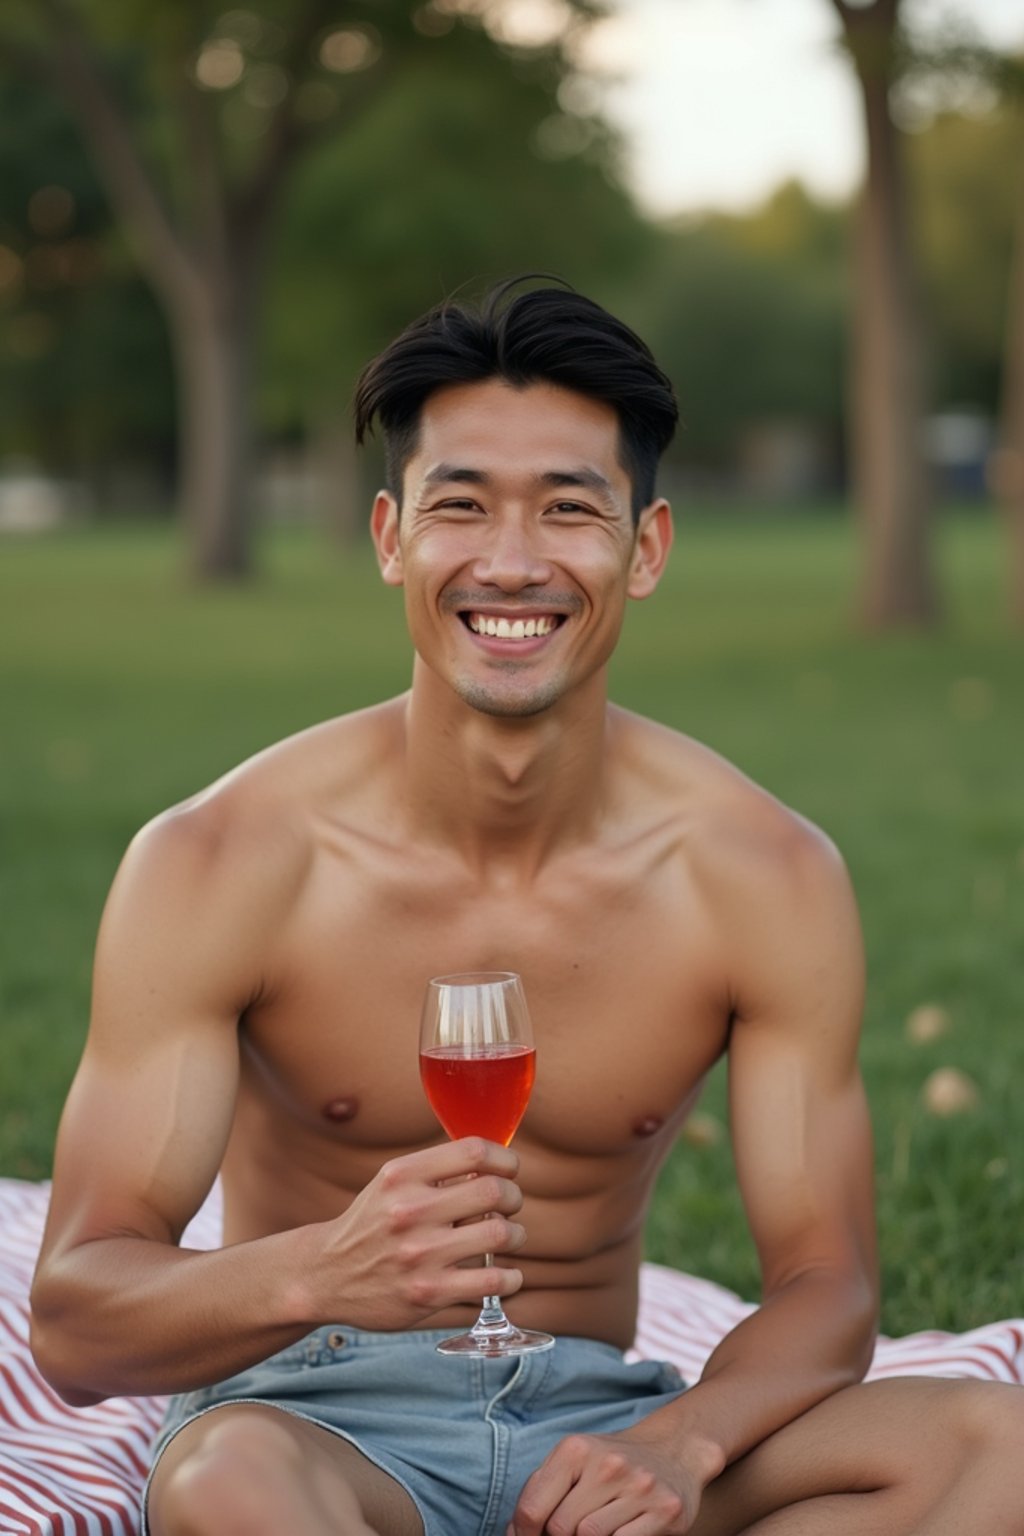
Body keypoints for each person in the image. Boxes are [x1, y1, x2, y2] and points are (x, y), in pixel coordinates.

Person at [30, 277, 1022, 1536]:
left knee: (1000, 1445)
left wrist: (677, 1444)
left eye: (568, 508)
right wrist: (322, 1270)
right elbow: (74, 1318)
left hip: (599, 1423)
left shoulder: (760, 873)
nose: (511, 561)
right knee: (224, 1487)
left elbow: (827, 1283)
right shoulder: (221, 860)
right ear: (391, 538)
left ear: (643, 547)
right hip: (318, 1427)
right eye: (461, 506)